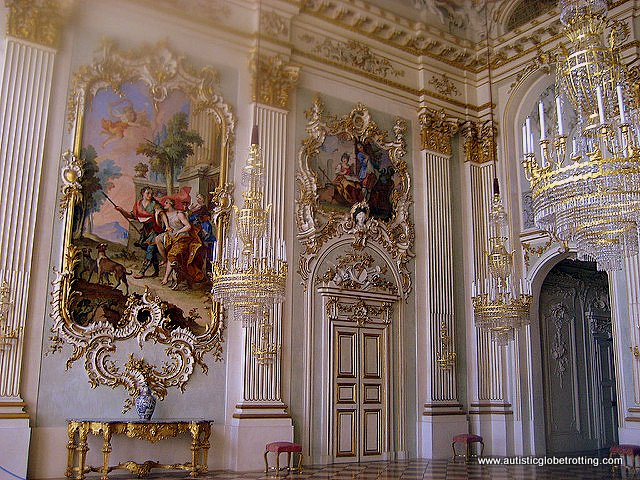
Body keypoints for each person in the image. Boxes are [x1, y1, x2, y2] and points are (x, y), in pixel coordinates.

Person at [155, 198, 205, 286]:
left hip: (182, 237)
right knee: (157, 239)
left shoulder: (179, 214)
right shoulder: (165, 214)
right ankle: (164, 259)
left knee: (172, 254)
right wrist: (156, 215)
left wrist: (179, 232)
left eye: (166, 202)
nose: (164, 204)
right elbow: (160, 226)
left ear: (171, 204)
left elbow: (188, 226)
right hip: (171, 237)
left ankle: (166, 278)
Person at [115, 186, 162, 278]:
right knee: (150, 251)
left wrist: (156, 217)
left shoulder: (155, 205)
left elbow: (161, 217)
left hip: (155, 230)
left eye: (151, 193)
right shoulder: (138, 204)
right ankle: (156, 271)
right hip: (145, 231)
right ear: (142, 193)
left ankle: (142, 272)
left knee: (150, 249)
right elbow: (132, 215)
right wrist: (121, 210)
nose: (150, 195)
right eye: (148, 193)